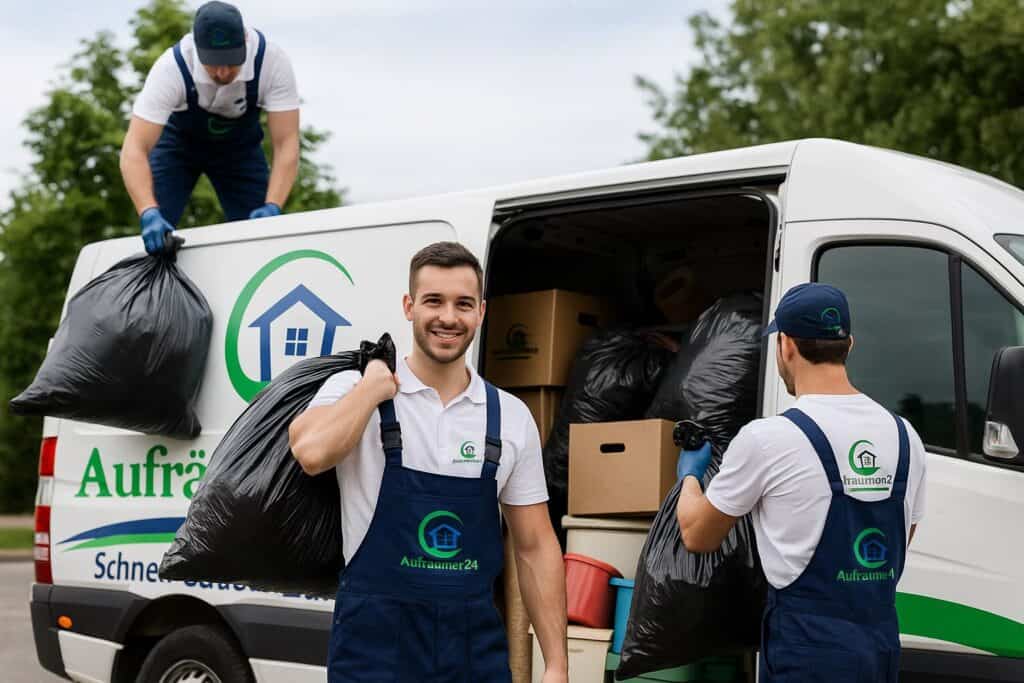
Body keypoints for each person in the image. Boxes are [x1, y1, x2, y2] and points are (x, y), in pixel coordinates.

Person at [288, 242, 569, 682]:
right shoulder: (353, 389)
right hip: (374, 649)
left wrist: (556, 664)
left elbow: (534, 546)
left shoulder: (510, 417)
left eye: (463, 304)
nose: (448, 317)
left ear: (481, 312)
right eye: (434, 301)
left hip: (472, 652)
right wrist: (372, 388)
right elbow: (311, 453)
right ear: (409, 306)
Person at [675, 283, 927, 682]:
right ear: (849, 345)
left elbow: (697, 535)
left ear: (786, 345)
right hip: (879, 648)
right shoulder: (906, 436)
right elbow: (902, 537)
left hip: (807, 650)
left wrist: (689, 475)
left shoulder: (768, 438)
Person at [120, 1, 300, 255]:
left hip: (239, 151)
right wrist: (148, 211)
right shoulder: (172, 68)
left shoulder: (272, 62)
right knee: (156, 232)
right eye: (213, 62)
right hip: (178, 147)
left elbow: (286, 143)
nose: (223, 72)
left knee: (263, 238)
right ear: (196, 47)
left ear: (245, 41)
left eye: (231, 61)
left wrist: (273, 205)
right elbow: (134, 149)